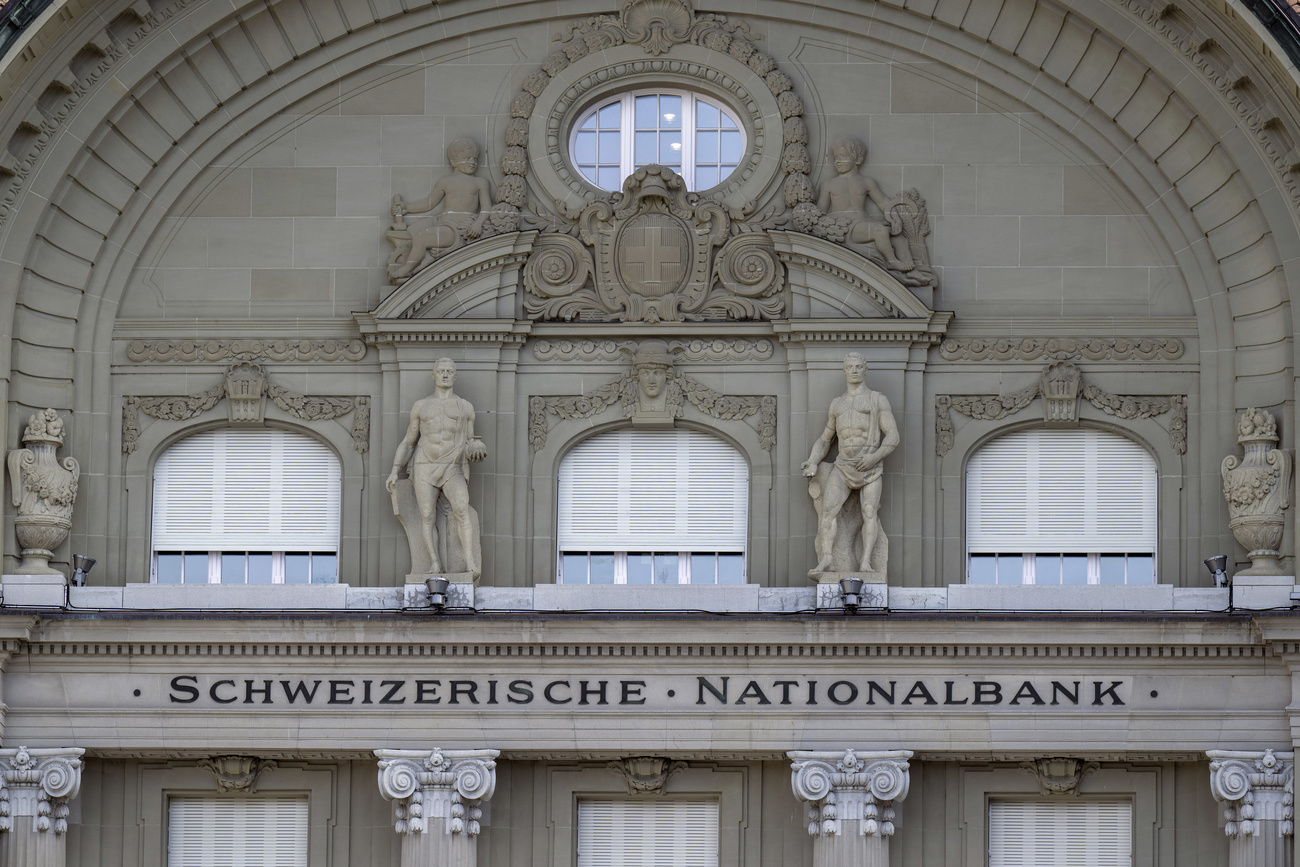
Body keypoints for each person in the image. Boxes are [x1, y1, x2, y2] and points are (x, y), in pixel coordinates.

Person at [386, 358, 487, 575]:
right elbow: (409, 441)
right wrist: (395, 470)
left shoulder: (465, 407)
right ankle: (434, 562)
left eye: (449, 371)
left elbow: (470, 441)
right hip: (424, 464)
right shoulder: (421, 406)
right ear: (434, 375)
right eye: (441, 371)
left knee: (462, 509)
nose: (445, 375)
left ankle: (469, 561)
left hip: (452, 465)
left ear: (455, 376)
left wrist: (478, 447)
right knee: (427, 515)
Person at [801, 353, 899, 573]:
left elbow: (893, 436)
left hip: (869, 466)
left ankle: (865, 562)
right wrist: (813, 461)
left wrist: (874, 457)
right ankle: (827, 559)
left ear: (865, 369)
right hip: (843, 465)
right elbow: (826, 439)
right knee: (827, 511)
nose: (854, 370)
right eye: (850, 367)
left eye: (858, 366)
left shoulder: (877, 399)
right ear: (844, 370)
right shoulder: (837, 404)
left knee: (868, 511)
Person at [389, 138, 494, 280]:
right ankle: (428, 257)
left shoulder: (480, 182)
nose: (472, 162)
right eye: (467, 158)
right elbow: (429, 203)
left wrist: (478, 224)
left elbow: (486, 207)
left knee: (422, 237)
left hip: (459, 227)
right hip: (442, 221)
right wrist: (406, 208)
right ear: (453, 161)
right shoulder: (445, 181)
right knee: (413, 229)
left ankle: (407, 269)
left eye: (475, 159)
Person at [816, 137, 914, 272]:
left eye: (843, 157)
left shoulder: (867, 182)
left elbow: (883, 202)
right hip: (843, 227)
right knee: (879, 230)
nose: (838, 161)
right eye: (836, 157)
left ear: (858, 159)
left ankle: (913, 272)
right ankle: (892, 262)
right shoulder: (828, 184)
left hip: (861, 223)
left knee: (900, 240)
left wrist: (895, 218)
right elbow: (820, 212)